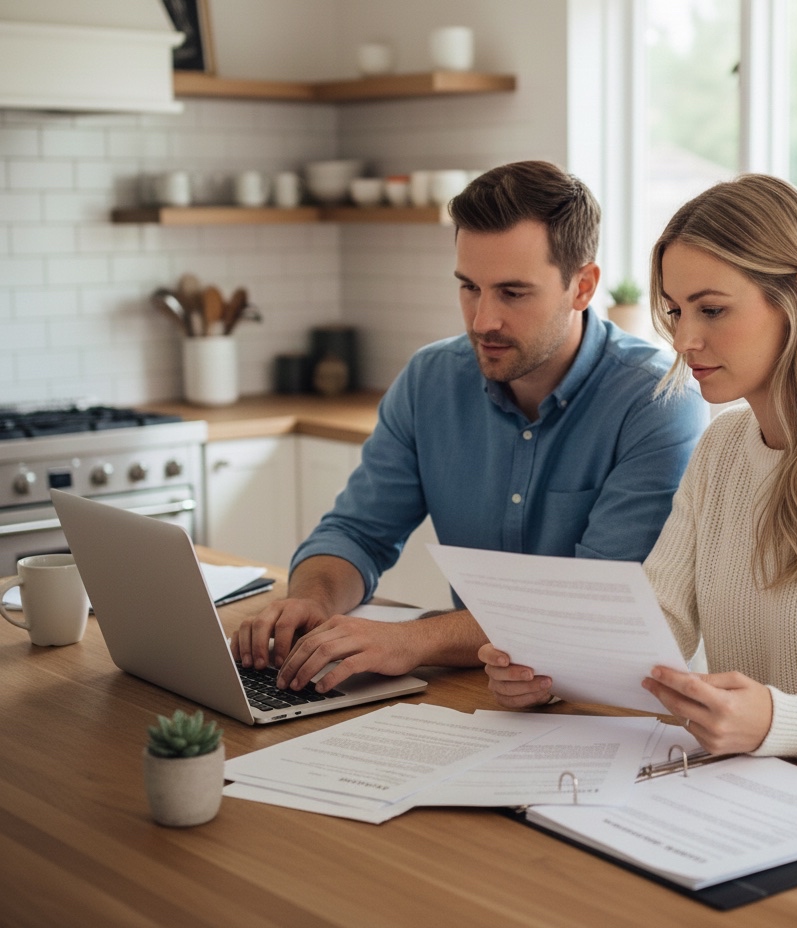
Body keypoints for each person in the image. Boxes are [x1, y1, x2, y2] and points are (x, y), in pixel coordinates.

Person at [482, 172, 797, 768]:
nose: (684, 339)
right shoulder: (724, 447)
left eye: (712, 310)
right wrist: (552, 671)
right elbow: (660, 622)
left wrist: (785, 721)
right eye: (676, 311)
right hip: (780, 787)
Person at [231, 160, 708, 695]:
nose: (483, 321)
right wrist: (312, 602)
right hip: (480, 688)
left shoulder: (657, 401)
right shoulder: (430, 379)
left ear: (583, 286)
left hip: (603, 705)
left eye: (512, 292)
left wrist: (411, 640)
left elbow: (591, 606)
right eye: (468, 287)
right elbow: (356, 531)